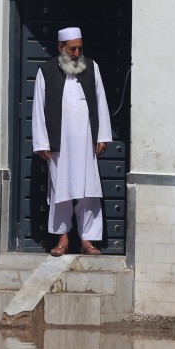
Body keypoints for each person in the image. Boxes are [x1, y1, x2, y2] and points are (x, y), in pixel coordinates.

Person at [32, 27, 113, 256]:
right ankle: (63, 239)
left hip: (86, 142)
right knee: (61, 191)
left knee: (88, 192)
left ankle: (87, 240)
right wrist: (41, 143)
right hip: (59, 145)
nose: (77, 53)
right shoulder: (45, 71)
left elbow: (100, 102)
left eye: (79, 48)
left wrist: (103, 136)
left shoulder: (91, 67)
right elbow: (38, 107)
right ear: (61, 48)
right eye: (72, 48)